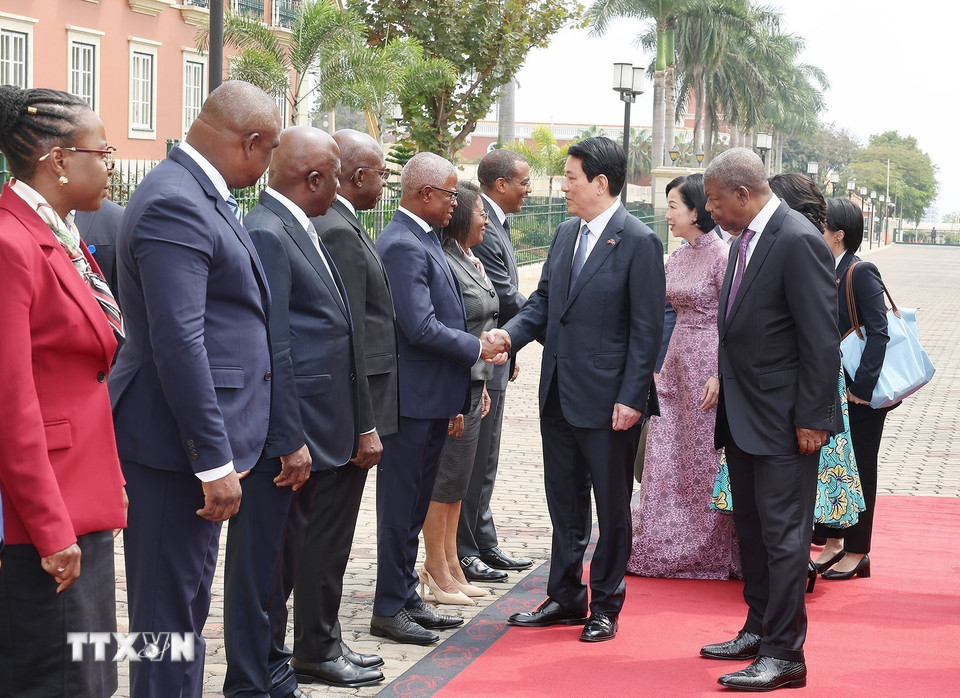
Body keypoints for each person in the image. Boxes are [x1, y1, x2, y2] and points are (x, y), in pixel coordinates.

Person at [109, 80, 280, 698]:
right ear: (251, 142)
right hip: (173, 446)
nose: (269, 167)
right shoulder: (175, 201)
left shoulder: (197, 193)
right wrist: (213, 458)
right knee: (164, 619)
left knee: (182, 610)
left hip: (189, 440)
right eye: (269, 152)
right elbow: (178, 342)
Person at [495, 136, 665, 643]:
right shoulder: (566, 233)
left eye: (571, 178)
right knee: (565, 504)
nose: (564, 186)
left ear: (601, 183)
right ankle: (565, 596)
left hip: (610, 401)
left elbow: (646, 329)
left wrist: (633, 396)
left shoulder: (638, 241)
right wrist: (510, 336)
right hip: (559, 395)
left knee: (612, 509)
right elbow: (544, 304)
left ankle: (606, 604)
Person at [0, 85, 127, 697]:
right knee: (60, 679)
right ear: (56, 160)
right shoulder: (11, 242)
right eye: (100, 150)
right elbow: (11, 404)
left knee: (90, 673)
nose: (109, 162)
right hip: (43, 516)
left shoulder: (59, 232)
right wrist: (51, 530)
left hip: (81, 494)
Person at [698, 148, 840, 692]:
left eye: (713, 199)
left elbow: (820, 340)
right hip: (744, 416)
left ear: (741, 193)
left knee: (785, 537)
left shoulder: (797, 238)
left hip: (786, 421)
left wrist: (813, 417)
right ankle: (758, 629)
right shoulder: (743, 241)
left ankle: (786, 655)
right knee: (752, 531)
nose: (709, 210)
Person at [372, 153, 508, 645]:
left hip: (433, 398)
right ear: (424, 194)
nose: (456, 202)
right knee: (401, 506)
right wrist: (477, 347)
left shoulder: (426, 239)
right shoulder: (403, 243)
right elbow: (420, 326)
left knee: (414, 506)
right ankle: (389, 606)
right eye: (451, 193)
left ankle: (406, 596)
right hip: (412, 400)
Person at [289, 128, 396, 688]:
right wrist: (365, 422)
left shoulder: (343, 224)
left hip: (349, 409)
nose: (385, 181)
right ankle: (316, 644)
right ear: (355, 176)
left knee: (330, 536)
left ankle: (323, 637)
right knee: (325, 536)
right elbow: (349, 338)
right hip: (342, 413)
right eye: (380, 172)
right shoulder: (336, 230)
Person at [628, 173, 738, 580]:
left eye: (673, 205)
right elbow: (663, 314)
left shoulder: (723, 256)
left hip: (710, 360)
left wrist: (722, 374)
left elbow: (735, 320)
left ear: (696, 210)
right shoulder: (676, 256)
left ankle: (709, 550)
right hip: (676, 361)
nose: (667, 213)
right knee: (669, 452)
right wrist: (656, 365)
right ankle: (663, 543)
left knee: (704, 457)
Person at [421, 182, 499, 605]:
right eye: (480, 212)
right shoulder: (446, 260)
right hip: (454, 385)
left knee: (457, 485)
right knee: (443, 482)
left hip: (473, 383)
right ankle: (436, 570)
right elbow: (449, 329)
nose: (485, 220)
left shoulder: (471, 259)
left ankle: (451, 563)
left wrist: (483, 381)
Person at [458, 149, 534, 583]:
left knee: (486, 458)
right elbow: (504, 297)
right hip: (484, 359)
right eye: (524, 181)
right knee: (475, 458)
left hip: (499, 355)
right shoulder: (479, 222)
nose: (529, 189)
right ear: (501, 184)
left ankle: (482, 541)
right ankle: (467, 548)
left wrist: (516, 348)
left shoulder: (498, 222)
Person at [814, 197, 895, 581]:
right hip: (834, 389)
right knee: (835, 468)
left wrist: (862, 388)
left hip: (860, 394)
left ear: (839, 234)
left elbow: (879, 332)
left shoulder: (861, 271)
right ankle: (833, 543)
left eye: (822, 227)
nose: (816, 232)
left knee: (861, 468)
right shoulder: (825, 268)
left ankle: (858, 551)